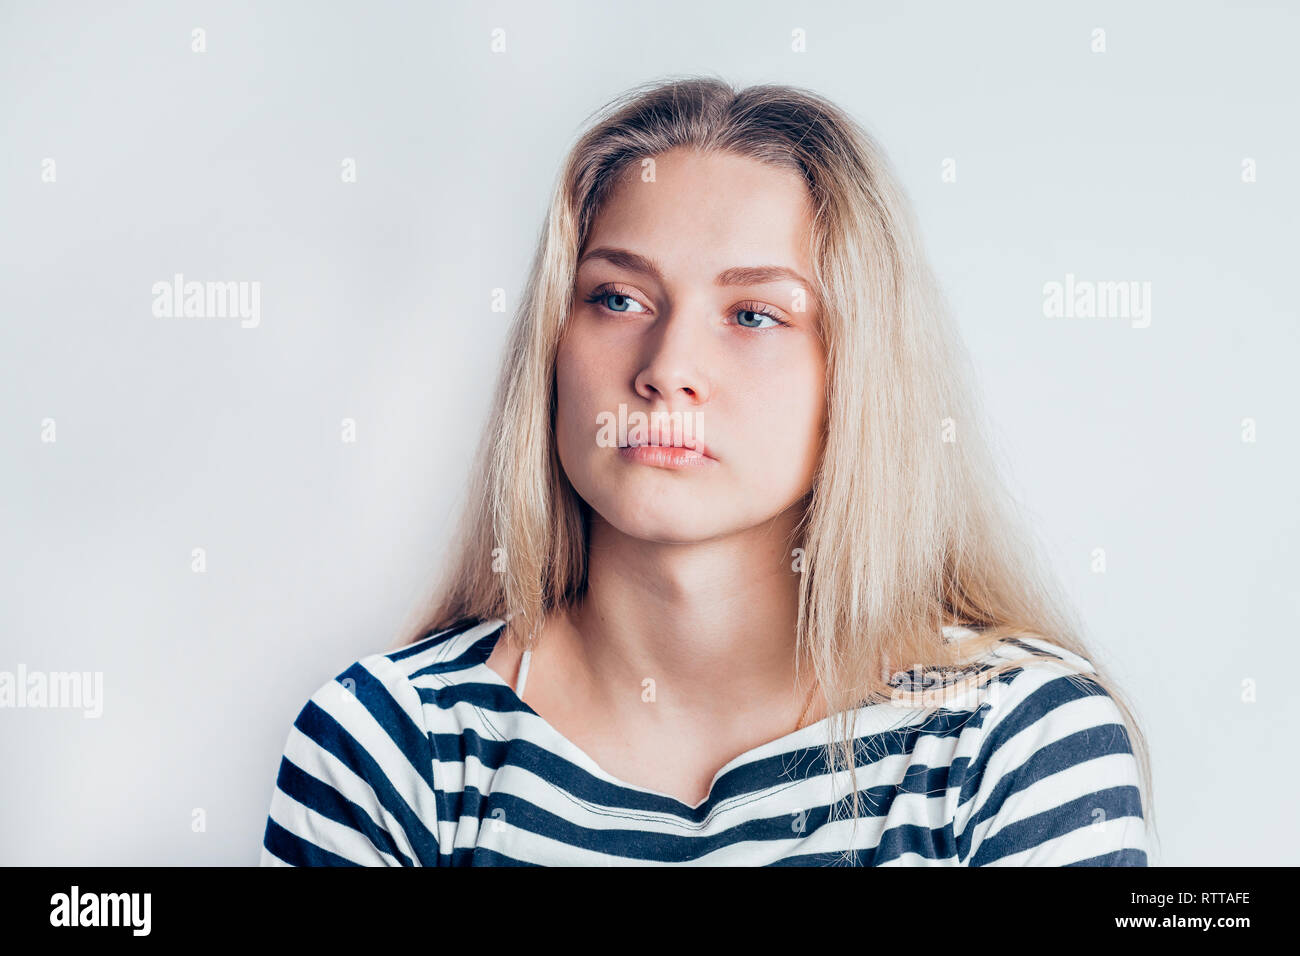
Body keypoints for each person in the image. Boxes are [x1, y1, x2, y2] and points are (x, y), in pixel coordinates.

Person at [260, 76, 1154, 866]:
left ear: (857, 374)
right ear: (552, 345)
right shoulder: (387, 745)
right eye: (618, 297)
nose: (667, 366)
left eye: (754, 314)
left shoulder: (1014, 742)